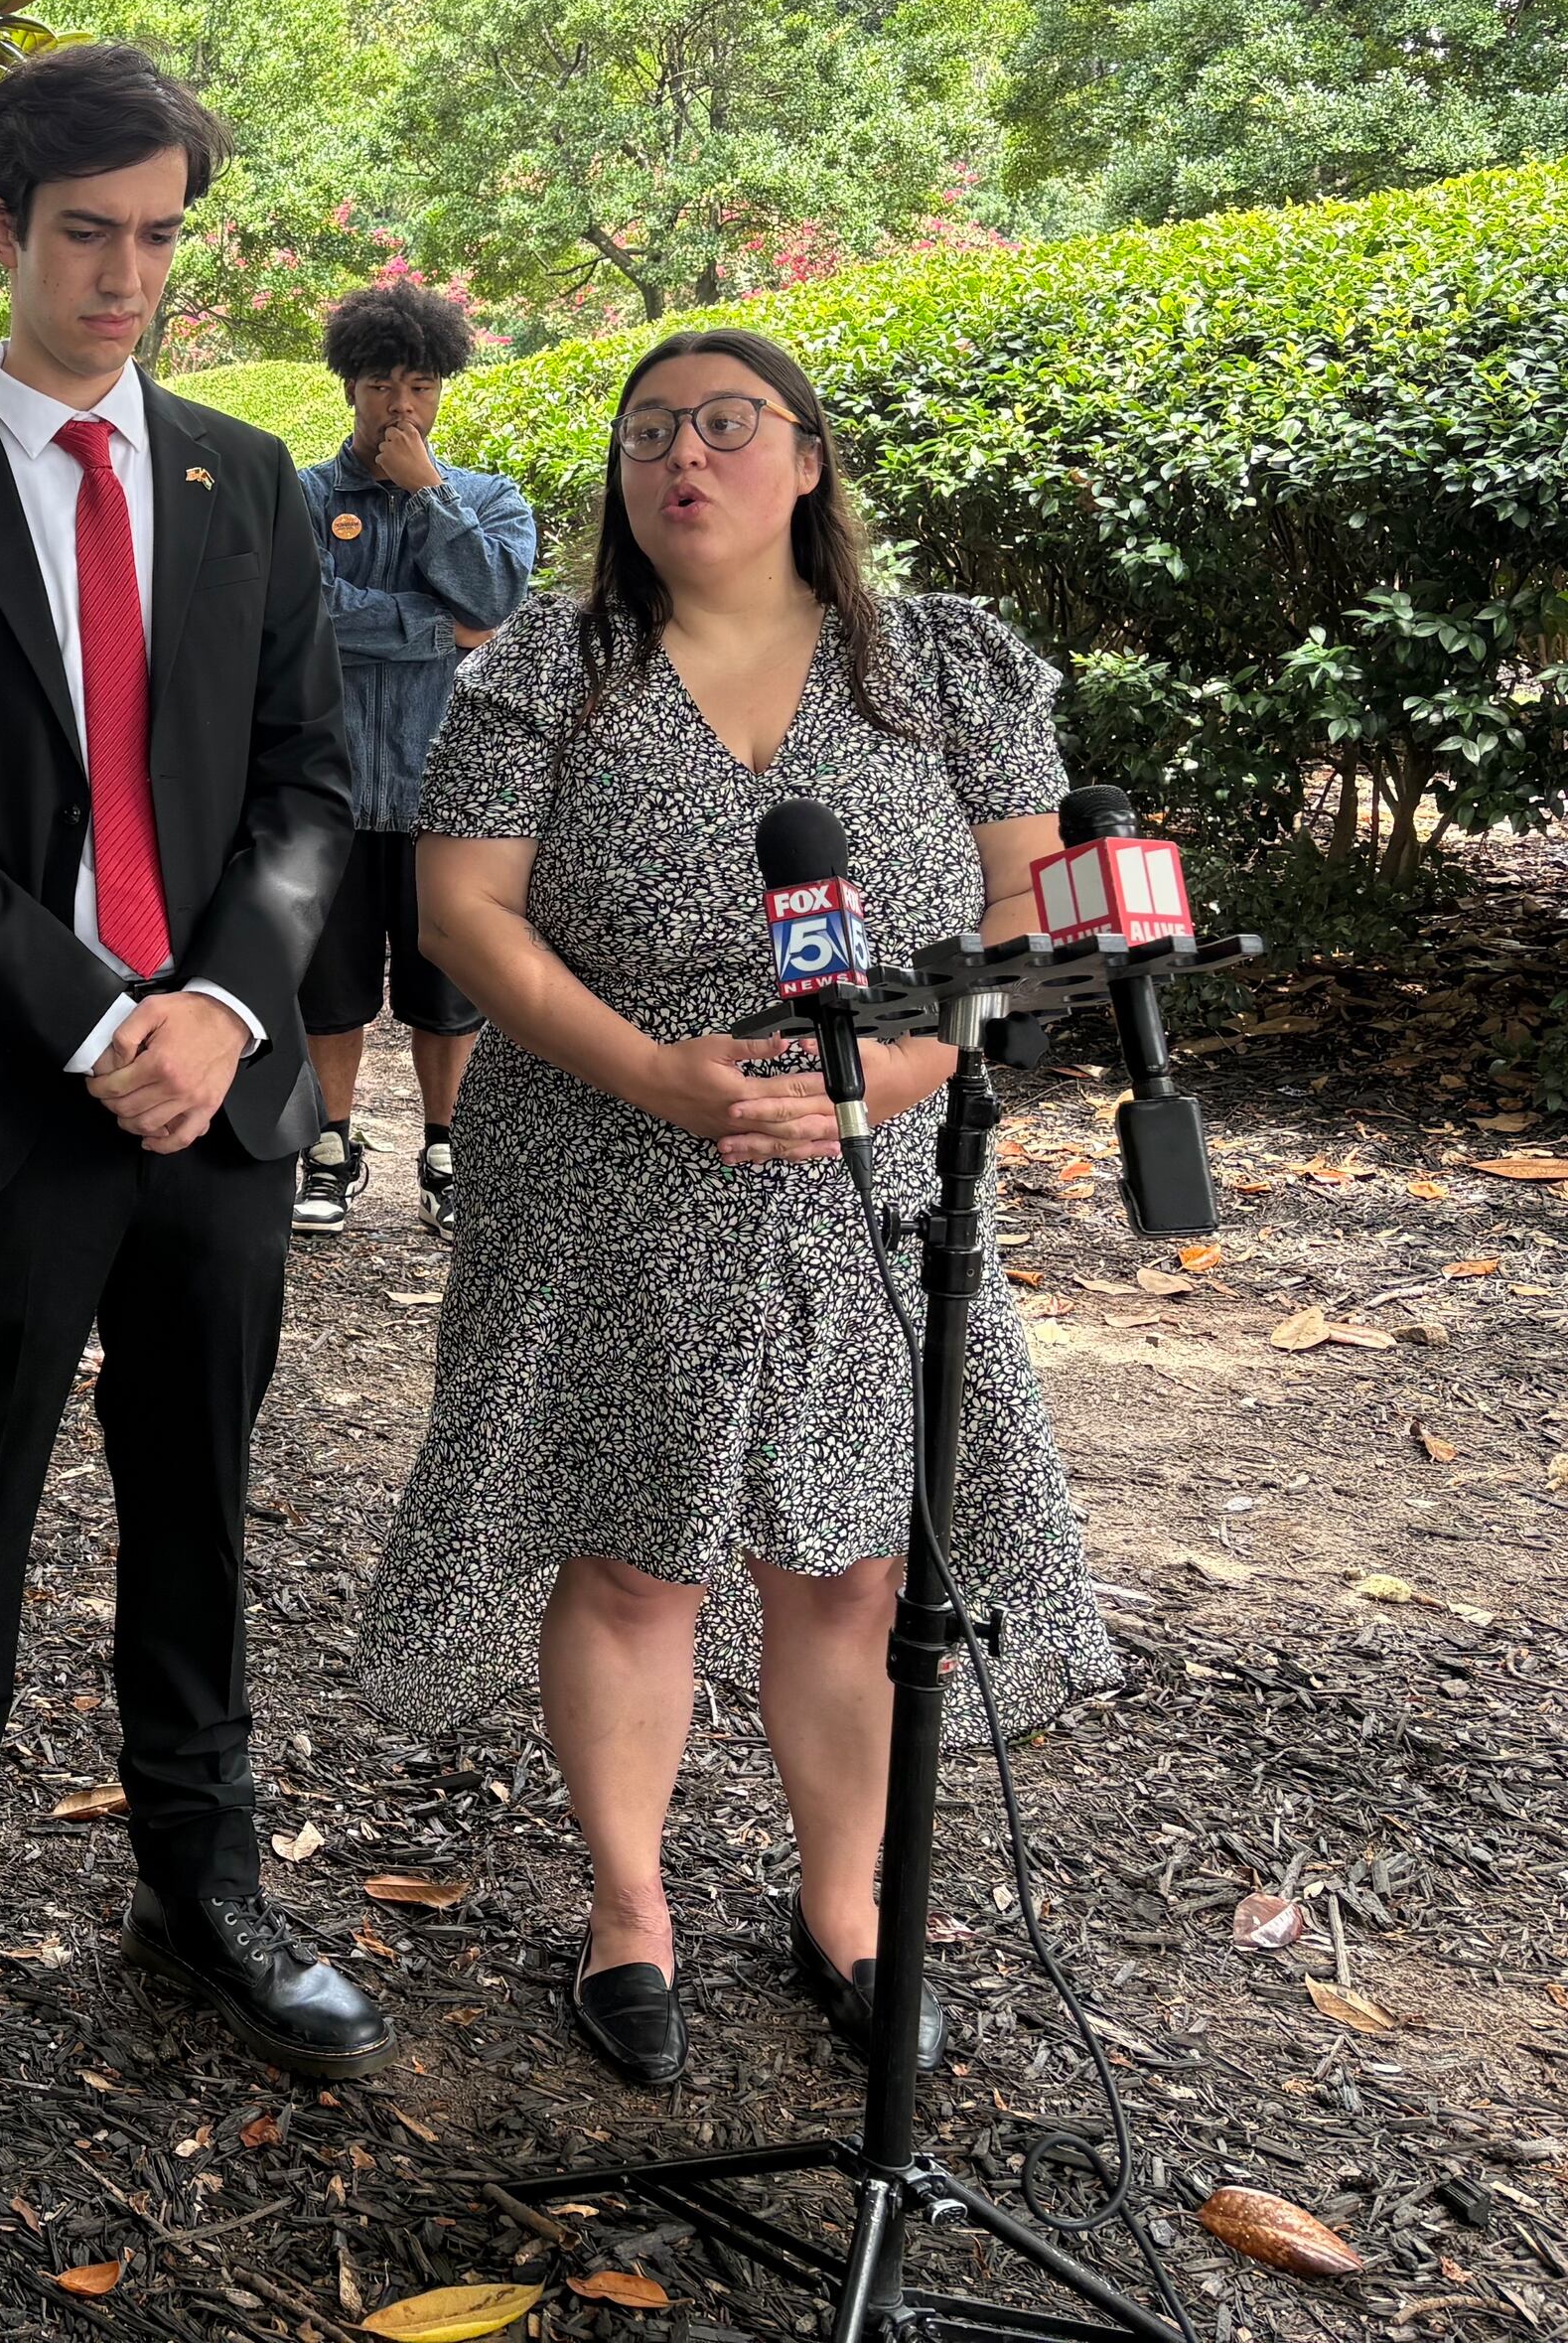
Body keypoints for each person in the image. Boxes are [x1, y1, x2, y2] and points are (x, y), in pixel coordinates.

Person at [357, 327, 1114, 2091]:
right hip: (607, 1159)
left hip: (871, 1167)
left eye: (722, 425)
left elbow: (1029, 907)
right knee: (630, 1552)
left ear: (807, 459)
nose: (678, 459)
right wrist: (653, 1071)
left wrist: (903, 1076)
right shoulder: (552, 661)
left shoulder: (939, 663)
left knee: (852, 1564)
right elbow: (466, 914)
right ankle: (632, 1915)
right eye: (644, 436)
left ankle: (845, 1912)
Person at [0, 44, 389, 2123]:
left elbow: (314, 789)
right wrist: (92, 1019)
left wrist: (221, 1013)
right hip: (1, 1084)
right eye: (86, 237)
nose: (126, 277)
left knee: (199, 1500)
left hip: (214, 1101)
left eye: (157, 237)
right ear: (1, 229)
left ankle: (199, 1878)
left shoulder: (250, 487)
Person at [290, 283, 537, 1241]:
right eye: (382, 384)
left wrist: (431, 496)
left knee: (450, 991)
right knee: (331, 984)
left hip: (451, 792)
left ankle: (448, 1146)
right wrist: (443, 631)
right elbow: (302, 617)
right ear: (349, 385)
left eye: (421, 385)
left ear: (444, 390)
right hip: (335, 788)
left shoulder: (485, 501)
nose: (401, 405)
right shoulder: (303, 496)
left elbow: (496, 600)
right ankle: (330, 1147)